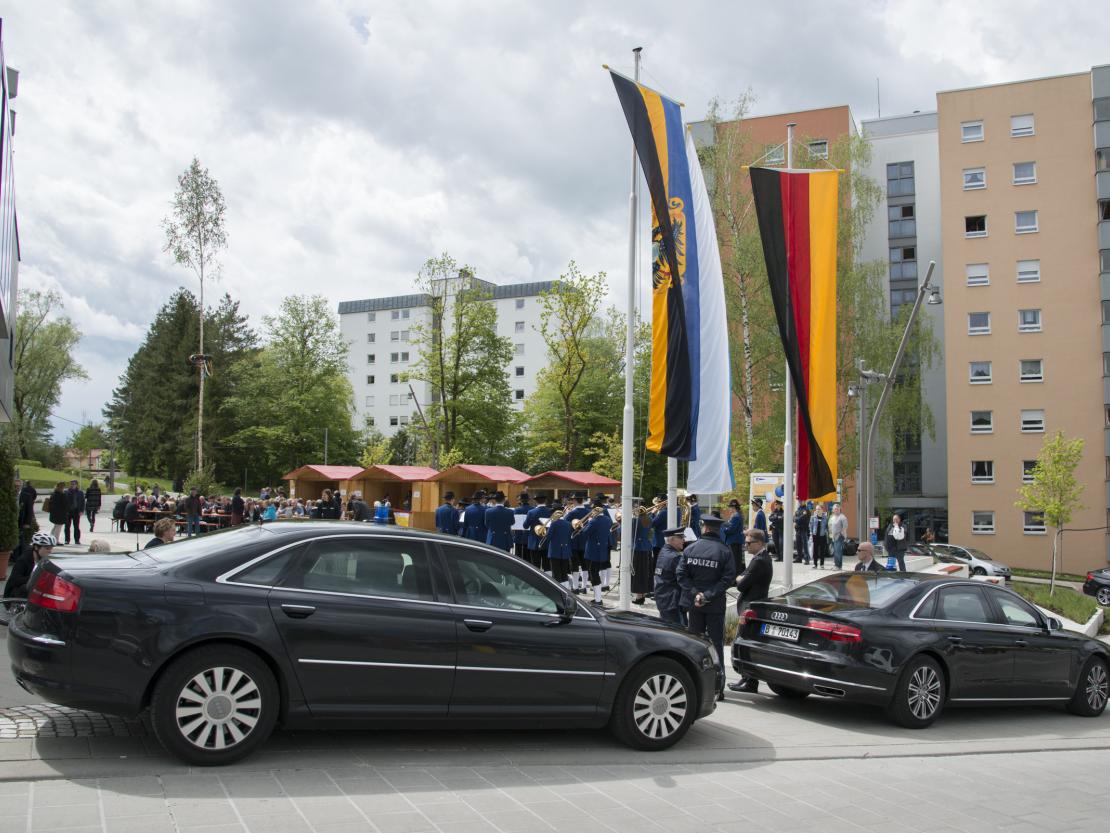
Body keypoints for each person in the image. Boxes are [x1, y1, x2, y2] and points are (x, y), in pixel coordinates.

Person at [676, 515, 734, 699]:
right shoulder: (725, 551)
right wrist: (707, 595)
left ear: (704, 528)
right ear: (717, 530)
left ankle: (694, 685)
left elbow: (681, 576)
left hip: (694, 605)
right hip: (714, 605)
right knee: (716, 645)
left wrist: (696, 594)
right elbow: (728, 579)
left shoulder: (690, 548)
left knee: (694, 645)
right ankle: (718, 687)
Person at [728, 529, 774, 693]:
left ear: (760, 543)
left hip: (751, 608)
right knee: (745, 643)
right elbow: (742, 576)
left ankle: (750, 681)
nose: (745, 545)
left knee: (746, 643)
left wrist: (741, 578)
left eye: (749, 543)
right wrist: (742, 576)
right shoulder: (759, 558)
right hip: (750, 605)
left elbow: (741, 584)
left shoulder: (760, 561)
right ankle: (746, 678)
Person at [654, 527, 687, 627]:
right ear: (672, 539)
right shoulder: (675, 557)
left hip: (663, 599)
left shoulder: (664, 551)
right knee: (680, 634)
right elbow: (685, 578)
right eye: (680, 537)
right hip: (672, 602)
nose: (683, 540)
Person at [582, 498, 614, 605]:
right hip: (602, 550)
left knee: (593, 574)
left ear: (595, 510)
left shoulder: (593, 521)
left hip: (592, 551)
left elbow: (584, 534)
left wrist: (588, 523)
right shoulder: (608, 520)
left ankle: (598, 599)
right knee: (596, 573)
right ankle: (597, 598)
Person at [5, 532, 55, 599]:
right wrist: (35, 577)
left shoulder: (44, 559)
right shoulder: (23, 560)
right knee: (28, 586)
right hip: (14, 596)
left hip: (32, 594)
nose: (50, 551)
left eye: (51, 548)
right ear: (36, 547)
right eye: (47, 548)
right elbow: (15, 580)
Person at [565, 494, 590, 594]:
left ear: (575, 501)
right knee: (585, 565)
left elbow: (565, 525)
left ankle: (575, 587)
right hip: (585, 542)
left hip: (574, 541)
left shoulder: (571, 513)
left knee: (574, 565)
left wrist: (566, 513)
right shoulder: (589, 512)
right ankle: (584, 587)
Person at [545, 503, 573, 589]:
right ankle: (567, 590)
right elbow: (569, 537)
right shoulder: (568, 523)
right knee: (564, 573)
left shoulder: (554, 523)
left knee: (556, 573)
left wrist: (546, 530)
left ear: (554, 513)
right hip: (565, 551)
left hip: (555, 551)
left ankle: (558, 591)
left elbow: (548, 537)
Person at [631, 503, 654, 604]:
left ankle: (639, 597)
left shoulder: (635, 520)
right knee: (645, 572)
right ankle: (643, 595)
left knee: (638, 572)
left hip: (638, 548)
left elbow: (630, 533)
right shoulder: (649, 519)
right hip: (647, 547)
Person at [524, 495, 551, 567]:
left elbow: (525, 526)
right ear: (545, 501)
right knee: (547, 565)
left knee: (535, 565)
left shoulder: (531, 512)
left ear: (536, 501)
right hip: (546, 541)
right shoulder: (550, 511)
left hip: (534, 542)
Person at [722, 499, 745, 574]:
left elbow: (731, 529)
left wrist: (723, 529)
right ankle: (737, 576)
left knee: (734, 561)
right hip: (736, 540)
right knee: (737, 560)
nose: (729, 509)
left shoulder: (735, 516)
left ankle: (735, 578)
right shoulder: (737, 515)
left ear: (733, 508)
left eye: (730, 507)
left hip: (734, 541)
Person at [63, 480, 86, 546]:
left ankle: (77, 540)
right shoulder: (66, 492)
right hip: (68, 512)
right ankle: (67, 540)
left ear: (76, 485)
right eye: (71, 484)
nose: (72, 485)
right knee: (67, 526)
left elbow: (82, 502)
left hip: (76, 511)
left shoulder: (80, 492)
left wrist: (81, 511)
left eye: (74, 484)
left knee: (76, 526)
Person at [828, 503, 848, 569]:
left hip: (839, 536)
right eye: (834, 509)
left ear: (839, 509)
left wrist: (843, 536)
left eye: (837, 509)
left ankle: (838, 566)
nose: (836, 510)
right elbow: (830, 526)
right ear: (833, 510)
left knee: (838, 551)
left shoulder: (842, 517)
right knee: (835, 551)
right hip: (833, 536)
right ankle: (836, 565)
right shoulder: (833, 517)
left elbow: (845, 527)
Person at [17, 479, 37, 545]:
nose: (16, 487)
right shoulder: (10, 494)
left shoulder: (27, 496)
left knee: (20, 538)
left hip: (22, 519)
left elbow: (29, 510)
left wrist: (27, 523)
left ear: (21, 486)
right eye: (15, 486)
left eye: (18, 486)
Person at [512, 492, 532, 561]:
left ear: (520, 500)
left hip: (519, 536)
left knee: (518, 558)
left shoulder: (517, 510)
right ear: (528, 500)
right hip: (529, 536)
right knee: (529, 559)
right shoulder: (532, 509)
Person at [810, 504, 829, 569]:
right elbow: (811, 526)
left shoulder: (825, 518)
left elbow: (827, 527)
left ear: (822, 510)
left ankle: (822, 564)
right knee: (815, 551)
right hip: (815, 536)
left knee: (822, 551)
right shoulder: (813, 517)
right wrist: (811, 533)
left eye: (819, 509)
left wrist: (826, 532)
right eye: (817, 509)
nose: (817, 510)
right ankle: (815, 564)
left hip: (822, 536)